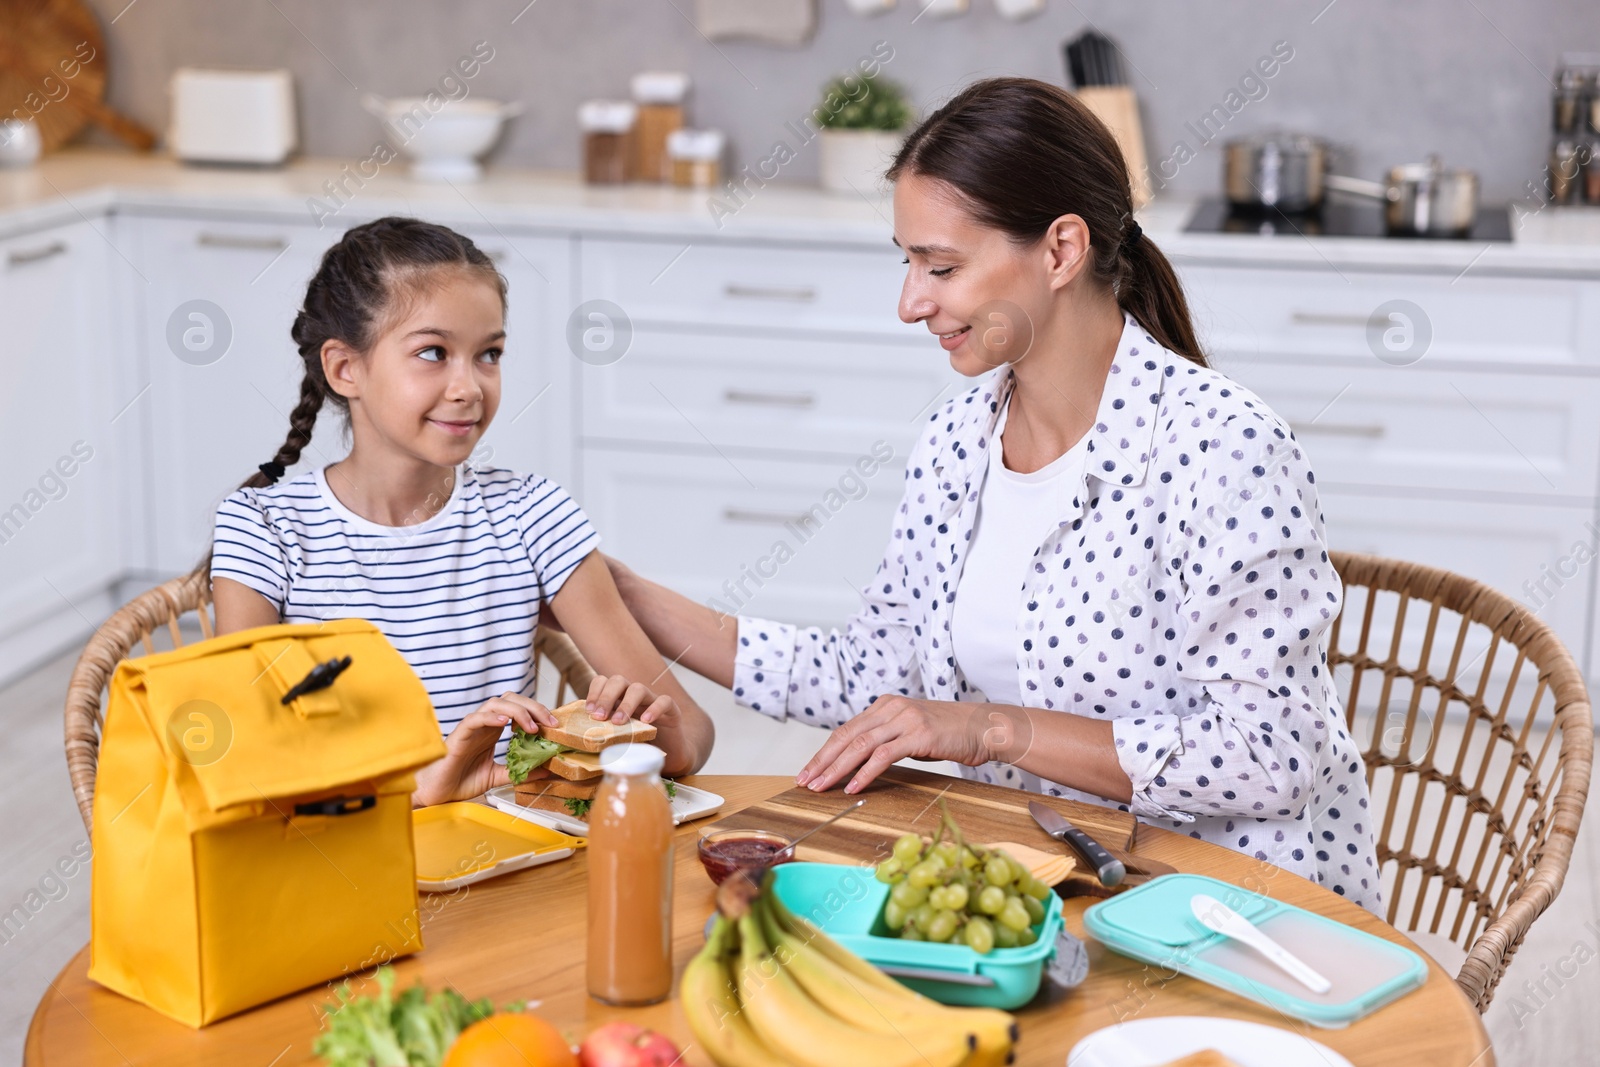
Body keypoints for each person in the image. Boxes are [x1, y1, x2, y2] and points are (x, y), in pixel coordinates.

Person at [606, 78, 1380, 910]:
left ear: (1060, 250)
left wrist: (985, 729)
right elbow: (875, 672)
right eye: (908, 264)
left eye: (941, 266)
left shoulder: (1222, 448)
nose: (911, 303)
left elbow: (1270, 755)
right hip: (1053, 883)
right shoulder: (956, 442)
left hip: (1237, 907)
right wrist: (615, 591)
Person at [206, 216, 714, 805]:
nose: (470, 386)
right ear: (346, 369)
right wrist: (424, 788)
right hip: (342, 861)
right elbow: (239, 763)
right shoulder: (263, 528)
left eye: (488, 354)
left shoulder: (533, 515)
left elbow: (694, 738)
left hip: (516, 854)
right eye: (433, 352)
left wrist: (656, 723)